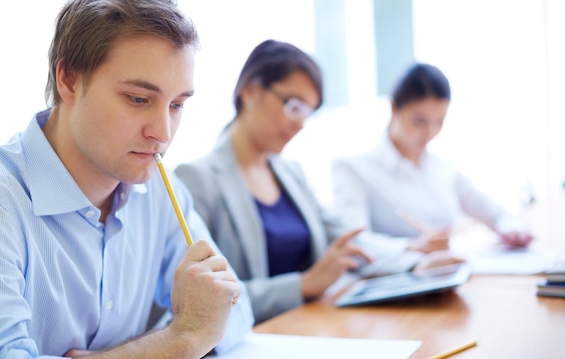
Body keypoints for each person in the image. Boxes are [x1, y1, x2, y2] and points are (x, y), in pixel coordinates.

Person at [0, 1, 254, 359]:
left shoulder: (162, 190)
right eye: (139, 98)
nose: (162, 133)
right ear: (68, 79)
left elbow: (233, 309)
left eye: (177, 105)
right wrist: (182, 337)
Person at [175, 40, 462, 324]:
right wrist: (304, 284)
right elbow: (206, 295)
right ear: (250, 92)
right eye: (294, 106)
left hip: (311, 324)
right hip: (254, 341)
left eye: (308, 113)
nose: (300, 123)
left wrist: (415, 261)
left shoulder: (291, 174)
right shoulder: (197, 179)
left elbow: (346, 240)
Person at [331, 62, 533, 254]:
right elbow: (353, 242)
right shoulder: (354, 170)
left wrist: (512, 229)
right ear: (394, 108)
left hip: (446, 279)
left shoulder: (442, 169)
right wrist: (412, 248)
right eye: (419, 121)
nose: (430, 132)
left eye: (439, 121)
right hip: (391, 282)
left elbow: (493, 211)